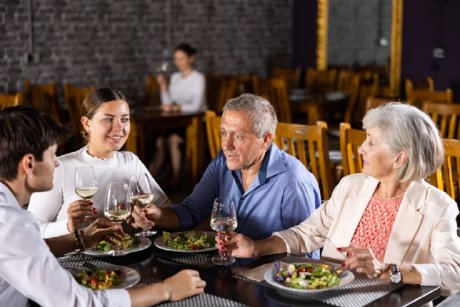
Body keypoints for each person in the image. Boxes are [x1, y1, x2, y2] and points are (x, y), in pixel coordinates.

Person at [217, 102, 460, 293]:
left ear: (399, 159)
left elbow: (454, 274)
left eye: (371, 142)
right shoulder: (350, 186)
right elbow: (307, 234)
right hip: (331, 299)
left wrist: (392, 271)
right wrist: (256, 247)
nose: (360, 148)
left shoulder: (438, 206)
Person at [0, 105, 205, 307]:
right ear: (29, 164)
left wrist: (83, 239)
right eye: (52, 155)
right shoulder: (12, 225)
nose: (56, 162)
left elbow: (35, 248)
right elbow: (77, 302)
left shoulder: (7, 213)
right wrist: (166, 289)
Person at [135, 93, 322, 257]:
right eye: (224, 133)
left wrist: (257, 249)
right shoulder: (222, 163)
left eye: (238, 136)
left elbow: (305, 249)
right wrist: (158, 215)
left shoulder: (293, 181)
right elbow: (191, 211)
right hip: (230, 270)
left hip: (272, 281)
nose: (227, 145)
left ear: (265, 140)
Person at [28, 87, 171, 238]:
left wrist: (146, 216)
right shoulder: (60, 167)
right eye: (108, 119)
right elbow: (31, 228)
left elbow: (169, 211)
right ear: (87, 124)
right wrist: (67, 226)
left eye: (124, 119)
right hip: (75, 258)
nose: (119, 128)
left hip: (124, 255)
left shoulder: (130, 162)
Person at [149, 43, 206, 189]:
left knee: (172, 139)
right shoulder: (174, 77)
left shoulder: (198, 78)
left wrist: (175, 107)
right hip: (178, 122)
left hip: (196, 123)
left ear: (191, 58)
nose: (178, 62)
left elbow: (196, 107)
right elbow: (167, 104)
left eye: (182, 58)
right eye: (176, 59)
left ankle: (175, 180)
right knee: (160, 140)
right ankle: (148, 179)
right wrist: (163, 87)